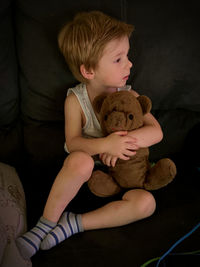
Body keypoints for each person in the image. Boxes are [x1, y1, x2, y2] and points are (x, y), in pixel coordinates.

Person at [16, 10, 162, 259]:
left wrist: (123, 145)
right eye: (118, 59)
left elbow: (156, 132)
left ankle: (75, 223)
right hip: (85, 179)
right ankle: (44, 225)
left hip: (125, 178)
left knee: (147, 204)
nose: (129, 64)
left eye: (127, 55)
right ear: (88, 71)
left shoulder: (130, 96)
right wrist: (106, 145)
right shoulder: (76, 100)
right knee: (79, 159)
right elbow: (73, 143)